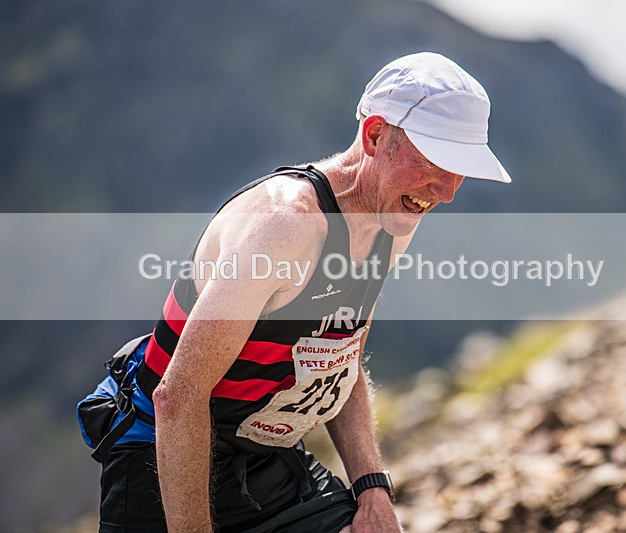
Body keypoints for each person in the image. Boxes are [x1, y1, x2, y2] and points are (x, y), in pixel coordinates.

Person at [89, 51, 511, 533]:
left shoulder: (392, 217)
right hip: (162, 458)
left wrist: (371, 488)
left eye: (461, 169)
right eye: (436, 161)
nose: (448, 192)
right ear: (375, 135)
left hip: (266, 460)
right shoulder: (285, 226)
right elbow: (179, 396)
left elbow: (340, 361)